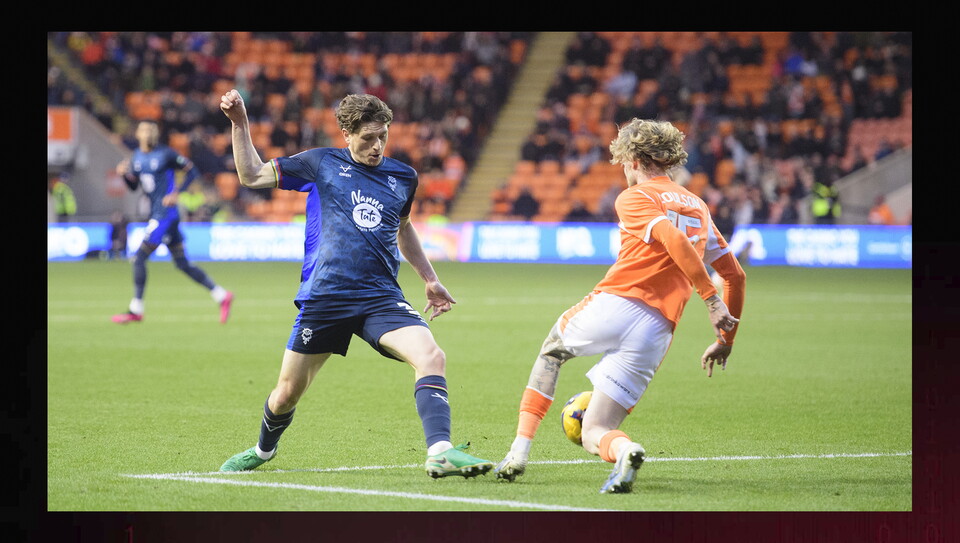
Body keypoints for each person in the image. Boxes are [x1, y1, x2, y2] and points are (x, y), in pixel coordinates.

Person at [216, 89, 493, 478]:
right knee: (285, 395)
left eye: (383, 137)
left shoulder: (402, 176)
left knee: (432, 356)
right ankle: (263, 450)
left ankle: (440, 451)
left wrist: (430, 279)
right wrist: (240, 124)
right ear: (346, 133)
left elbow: (404, 227)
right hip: (326, 296)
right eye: (367, 138)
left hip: (380, 297)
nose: (377, 146)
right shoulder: (320, 163)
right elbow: (251, 175)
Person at [494, 118, 746, 494]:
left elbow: (671, 238)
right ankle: (627, 451)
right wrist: (726, 339)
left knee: (552, 351)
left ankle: (518, 452)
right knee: (596, 430)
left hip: (617, 303)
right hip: (658, 329)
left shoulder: (635, 197)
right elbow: (736, 276)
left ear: (631, 158)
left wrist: (710, 300)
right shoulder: (699, 207)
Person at [111, 120, 233, 324]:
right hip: (159, 215)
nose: (147, 133)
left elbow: (191, 170)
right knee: (182, 263)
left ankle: (135, 309)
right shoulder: (137, 158)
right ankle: (222, 295)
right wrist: (125, 175)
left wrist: (178, 192)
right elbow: (134, 187)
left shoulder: (166, 154)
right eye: (144, 130)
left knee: (139, 257)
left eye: (150, 130)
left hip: (165, 215)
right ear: (139, 134)